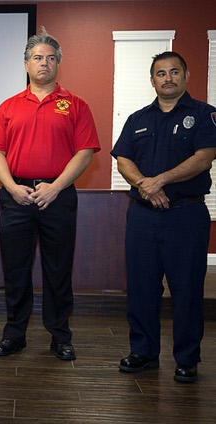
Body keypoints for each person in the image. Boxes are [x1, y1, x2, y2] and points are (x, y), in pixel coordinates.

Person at [0, 29, 100, 361]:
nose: (44, 63)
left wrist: (56, 186)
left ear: (59, 64)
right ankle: (14, 334)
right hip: (16, 194)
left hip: (58, 195)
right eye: (38, 58)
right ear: (26, 64)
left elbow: (85, 153)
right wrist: (11, 187)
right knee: (15, 268)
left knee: (58, 268)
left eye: (51, 58)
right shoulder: (8, 107)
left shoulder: (75, 105)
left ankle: (60, 336)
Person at [111, 51, 216, 383]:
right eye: (160, 73)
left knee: (186, 289)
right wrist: (145, 184)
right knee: (141, 287)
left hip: (186, 215)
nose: (167, 78)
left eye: (174, 72)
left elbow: (204, 157)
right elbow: (123, 160)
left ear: (186, 75)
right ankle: (143, 351)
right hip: (142, 216)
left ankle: (187, 358)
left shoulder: (205, 114)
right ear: (152, 80)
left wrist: (162, 180)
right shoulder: (138, 118)